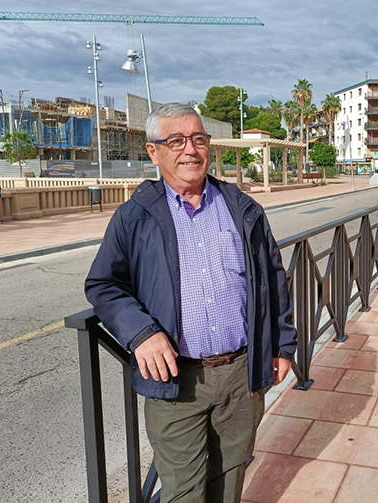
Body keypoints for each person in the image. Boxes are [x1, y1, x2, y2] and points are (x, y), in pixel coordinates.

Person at [85, 103, 297, 503]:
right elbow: (103, 284)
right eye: (176, 140)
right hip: (176, 382)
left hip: (242, 372)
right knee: (184, 491)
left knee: (231, 478)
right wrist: (141, 333)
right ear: (154, 151)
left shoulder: (243, 209)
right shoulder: (134, 217)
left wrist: (283, 345)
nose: (190, 150)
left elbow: (273, 279)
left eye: (198, 139)